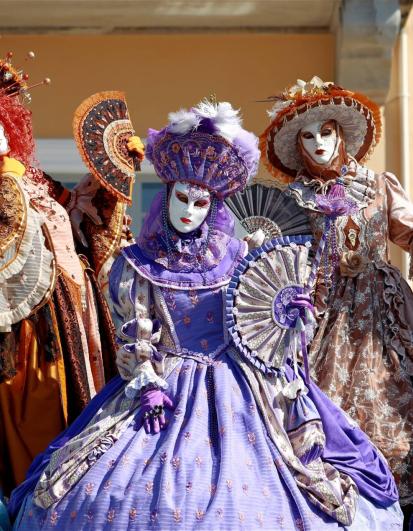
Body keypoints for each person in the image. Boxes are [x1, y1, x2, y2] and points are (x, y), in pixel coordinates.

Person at [11, 99, 402, 530]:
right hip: (164, 382)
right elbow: (136, 338)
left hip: (239, 387)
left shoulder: (237, 258)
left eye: (200, 204)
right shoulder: (139, 265)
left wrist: (287, 315)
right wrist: (146, 385)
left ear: (212, 208)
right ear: (168, 195)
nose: (188, 211)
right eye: (182, 199)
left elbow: (258, 326)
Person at [259, 76, 413, 519]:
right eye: (309, 137)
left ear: (341, 134)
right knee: (327, 409)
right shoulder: (293, 199)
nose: (320, 143)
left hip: (383, 313)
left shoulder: (378, 185)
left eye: (326, 132)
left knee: (397, 400)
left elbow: (405, 229)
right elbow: (281, 255)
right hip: (323, 313)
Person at [0, 57, 143, 495]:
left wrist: (110, 181)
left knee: (70, 414)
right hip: (25, 330)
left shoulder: (33, 182)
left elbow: (78, 218)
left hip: (70, 321)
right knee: (36, 416)